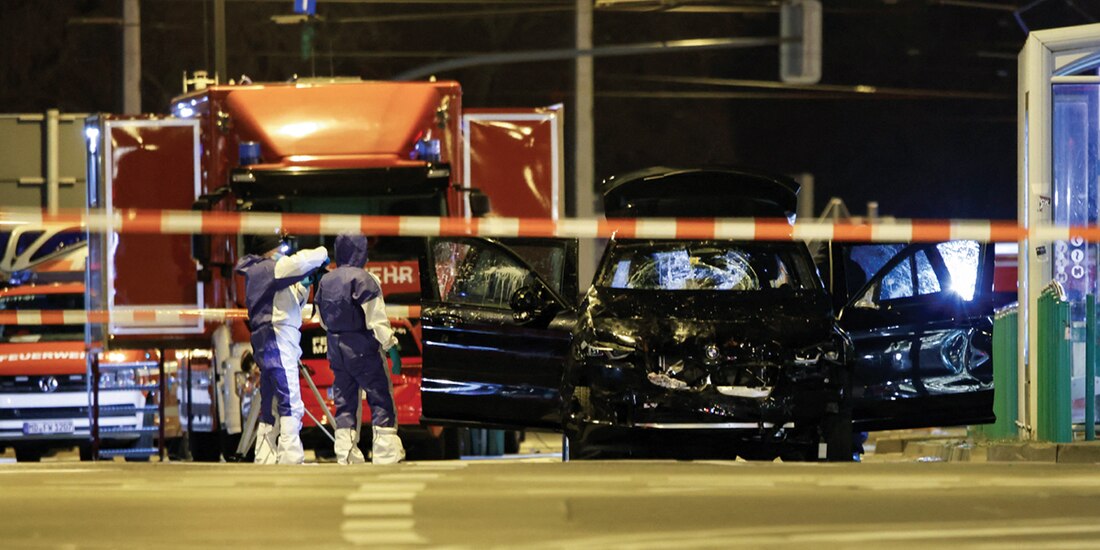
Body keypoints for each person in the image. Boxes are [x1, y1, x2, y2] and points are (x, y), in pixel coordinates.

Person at [235, 233, 329, 464]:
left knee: (270, 403)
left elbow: (287, 302)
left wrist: (303, 287)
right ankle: (290, 455)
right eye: (280, 248)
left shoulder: (262, 272)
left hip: (271, 338)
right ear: (270, 249)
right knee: (290, 399)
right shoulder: (270, 269)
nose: (283, 252)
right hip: (278, 338)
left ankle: (265, 455)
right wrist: (323, 254)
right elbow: (300, 261)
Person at [316, 233, 405, 465]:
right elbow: (377, 319)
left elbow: (322, 320)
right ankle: (386, 452)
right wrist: (391, 348)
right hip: (362, 348)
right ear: (361, 252)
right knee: (379, 395)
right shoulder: (365, 279)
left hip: (336, 348)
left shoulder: (326, 281)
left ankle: (345, 452)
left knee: (344, 400)